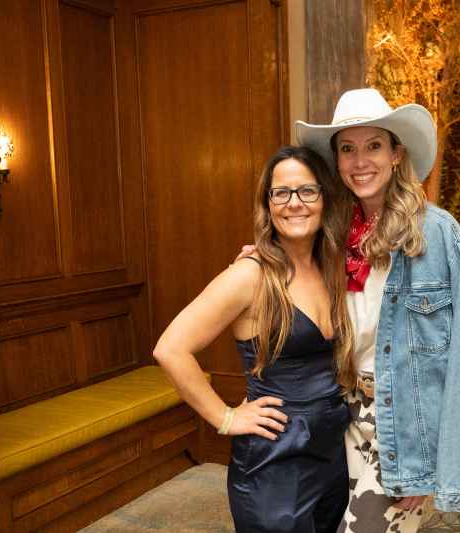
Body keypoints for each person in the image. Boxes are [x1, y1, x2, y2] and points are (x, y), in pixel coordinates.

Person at [296, 88, 460, 531]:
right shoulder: (331, 236)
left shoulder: (438, 233)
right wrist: (258, 258)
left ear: (396, 154)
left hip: (405, 422)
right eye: (347, 148)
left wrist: (436, 456)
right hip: (341, 414)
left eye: (373, 146)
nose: (359, 160)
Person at [153, 146, 355, 533]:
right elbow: (171, 348)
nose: (294, 203)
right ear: (268, 204)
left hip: (332, 456)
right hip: (275, 462)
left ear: (324, 199)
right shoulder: (251, 274)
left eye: (307, 191)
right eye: (282, 192)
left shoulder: (331, 265)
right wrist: (225, 418)